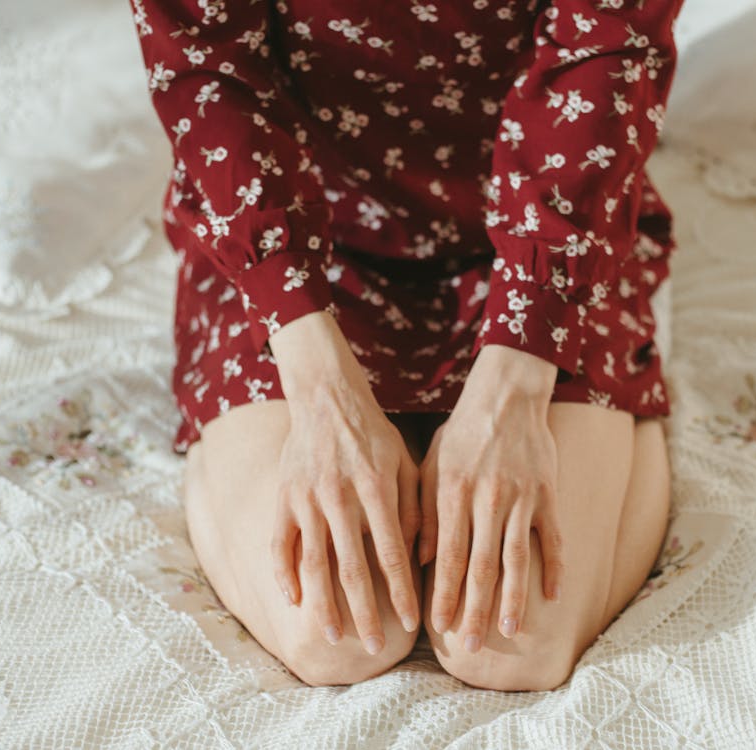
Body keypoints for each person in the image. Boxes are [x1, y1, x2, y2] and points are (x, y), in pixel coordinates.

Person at [131, 0, 683, 689]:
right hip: (293, 230)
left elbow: (601, 53)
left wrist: (516, 386)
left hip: (548, 225)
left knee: (510, 643)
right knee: (339, 639)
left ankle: (629, 407)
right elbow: (207, 72)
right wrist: (321, 392)